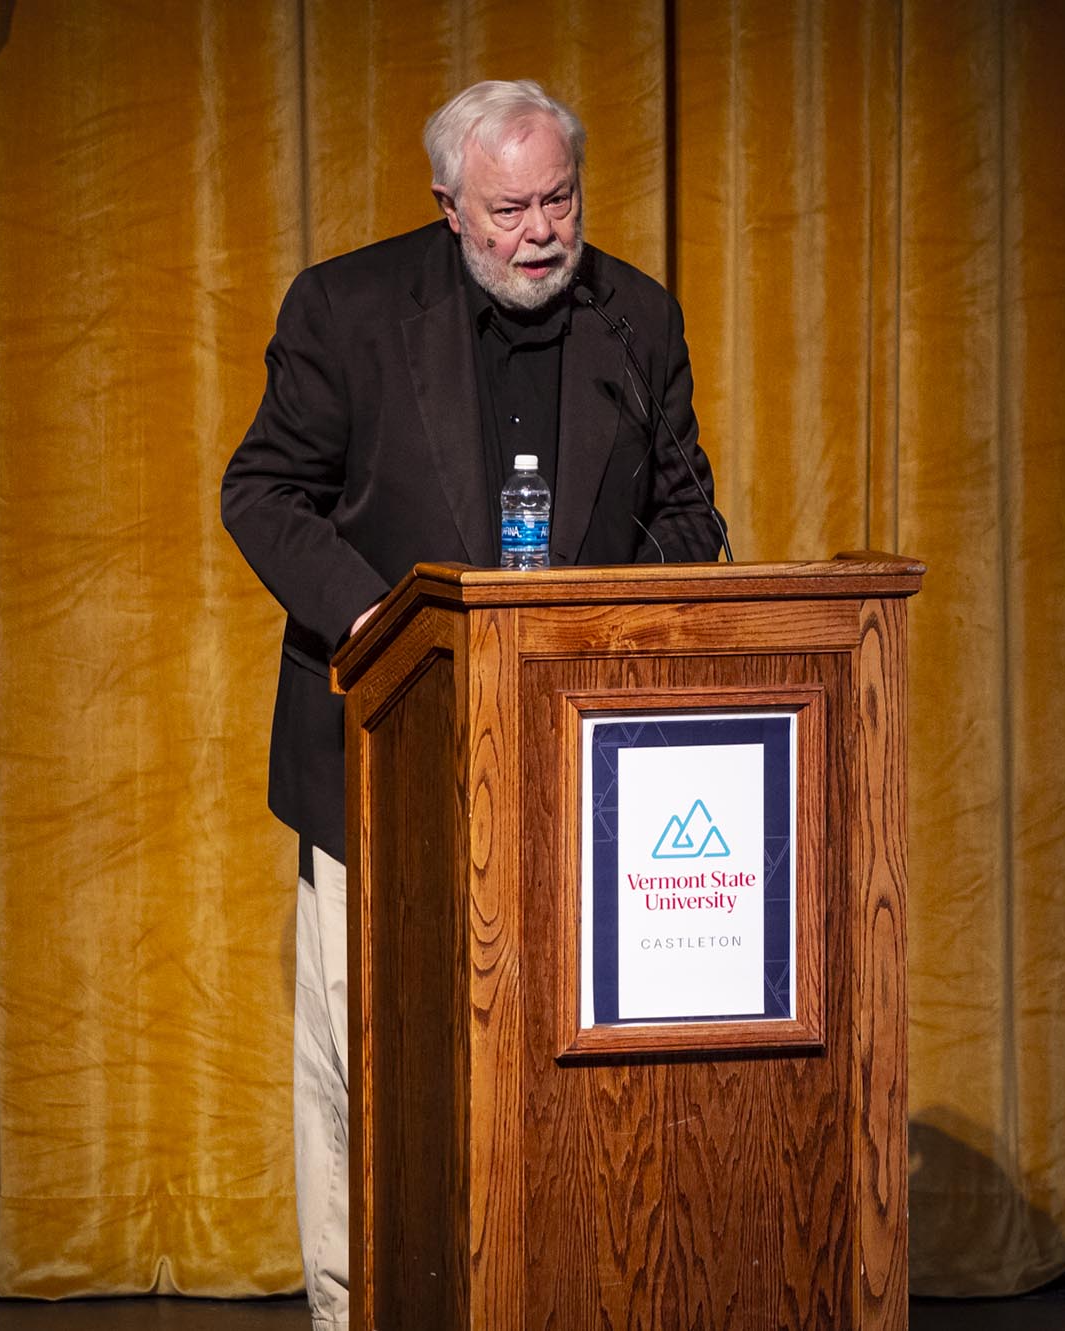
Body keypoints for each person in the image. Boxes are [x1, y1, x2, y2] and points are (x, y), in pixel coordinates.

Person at [220, 77, 725, 1329]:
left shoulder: (636, 319)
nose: (541, 230)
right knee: (368, 1067)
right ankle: (357, 1311)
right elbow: (262, 491)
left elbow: (692, 516)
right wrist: (376, 627)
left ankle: (561, 1287)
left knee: (564, 1053)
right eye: (509, 209)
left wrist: (604, 619)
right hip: (381, 742)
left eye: (560, 198)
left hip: (584, 759)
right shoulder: (345, 310)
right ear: (449, 205)